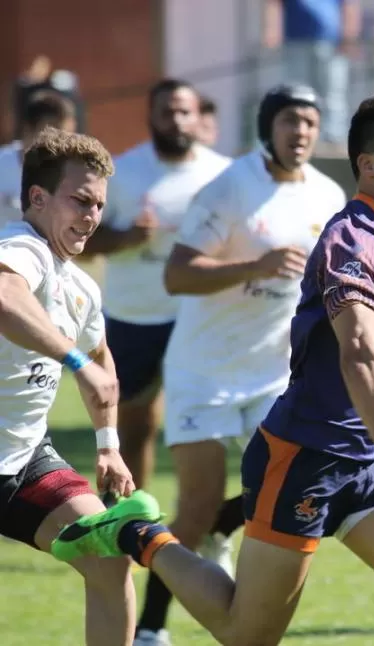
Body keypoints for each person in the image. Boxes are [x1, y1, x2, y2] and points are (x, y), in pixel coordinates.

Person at [50, 91, 374, 646]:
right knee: (247, 632)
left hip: (365, 464)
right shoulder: (356, 240)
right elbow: (359, 354)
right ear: (370, 165)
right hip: (304, 458)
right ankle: (137, 531)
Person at [131, 83, 347, 646]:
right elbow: (176, 275)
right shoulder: (229, 187)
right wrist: (258, 265)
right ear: (267, 127)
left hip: (275, 375)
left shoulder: (328, 195)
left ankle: (224, 530)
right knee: (197, 505)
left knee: (293, 490)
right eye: (289, 120)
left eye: (309, 121)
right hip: (204, 370)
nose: (300, 131)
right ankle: (151, 628)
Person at [0, 127, 137, 644]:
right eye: (80, 200)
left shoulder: (80, 284)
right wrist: (74, 359)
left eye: (99, 204)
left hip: (23, 458)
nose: (92, 216)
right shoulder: (22, 248)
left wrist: (110, 447)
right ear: (38, 198)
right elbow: (5, 299)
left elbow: (105, 366)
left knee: (109, 556)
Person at [82, 79, 230, 494]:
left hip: (202, 316)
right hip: (135, 316)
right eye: (167, 111)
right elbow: (81, 242)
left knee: (207, 430)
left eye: (185, 111)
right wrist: (125, 237)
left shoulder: (222, 174)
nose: (176, 120)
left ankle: (207, 532)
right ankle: (126, 530)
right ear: (151, 116)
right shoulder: (121, 171)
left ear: (199, 117)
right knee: (133, 427)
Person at [0, 91, 78, 225]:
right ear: (28, 129)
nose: (60, 145)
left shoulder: (73, 176)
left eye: (66, 138)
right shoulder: (3, 165)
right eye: (54, 136)